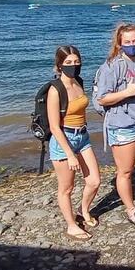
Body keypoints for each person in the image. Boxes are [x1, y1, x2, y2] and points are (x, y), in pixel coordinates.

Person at [95, 23, 135, 226]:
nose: (132, 45)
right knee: (125, 171)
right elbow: (101, 99)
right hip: (122, 125)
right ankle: (131, 209)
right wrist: (126, 93)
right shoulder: (112, 66)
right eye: (127, 42)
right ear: (119, 43)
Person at [47, 45, 100, 241]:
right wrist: (69, 154)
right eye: (68, 62)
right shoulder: (55, 90)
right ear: (59, 65)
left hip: (82, 136)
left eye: (76, 62)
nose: (73, 66)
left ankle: (83, 210)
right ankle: (71, 225)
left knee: (94, 181)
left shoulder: (79, 81)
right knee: (66, 188)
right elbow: (54, 127)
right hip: (64, 141)